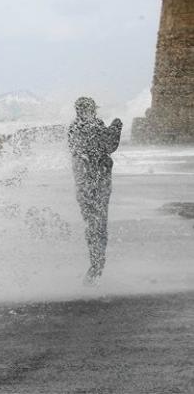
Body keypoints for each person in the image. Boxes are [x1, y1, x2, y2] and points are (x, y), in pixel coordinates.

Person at [68, 97, 122, 284]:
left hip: (89, 184)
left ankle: (96, 264)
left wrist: (114, 128)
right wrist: (116, 127)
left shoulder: (75, 127)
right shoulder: (81, 127)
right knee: (97, 224)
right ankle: (96, 264)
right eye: (86, 108)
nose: (87, 111)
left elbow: (103, 148)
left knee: (95, 224)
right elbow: (108, 146)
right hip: (94, 183)